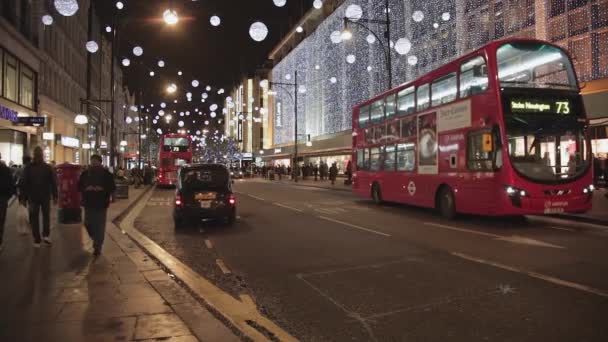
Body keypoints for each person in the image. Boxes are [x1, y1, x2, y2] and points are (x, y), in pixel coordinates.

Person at [78, 154, 116, 256]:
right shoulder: (85, 174)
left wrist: (102, 189)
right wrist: (87, 188)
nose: (93, 162)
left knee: (99, 225)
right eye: (92, 161)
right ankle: (95, 237)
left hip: (101, 203)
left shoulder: (106, 174)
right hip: (88, 203)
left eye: (95, 161)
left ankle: (98, 246)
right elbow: (79, 186)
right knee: (87, 223)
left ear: (100, 162)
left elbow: (112, 187)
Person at [22, 147, 57, 247]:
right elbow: (24, 183)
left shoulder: (31, 167)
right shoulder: (45, 167)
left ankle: (39, 238)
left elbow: (53, 182)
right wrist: (55, 196)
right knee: (40, 217)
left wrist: (55, 195)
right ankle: (42, 236)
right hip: (38, 196)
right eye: (37, 154)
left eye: (39, 154)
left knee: (36, 217)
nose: (38, 156)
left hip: (38, 196)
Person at [0, 153, 16, 252]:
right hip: (2, 198)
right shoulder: (5, 169)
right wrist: (7, 197)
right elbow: (11, 184)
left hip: (3, 197)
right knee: (1, 220)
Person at [15, 156, 32, 235]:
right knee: (31, 209)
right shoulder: (33, 168)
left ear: (23, 161)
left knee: (23, 209)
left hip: (22, 192)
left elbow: (17, 181)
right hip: (31, 192)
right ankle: (30, 224)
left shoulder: (21, 169)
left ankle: (24, 227)